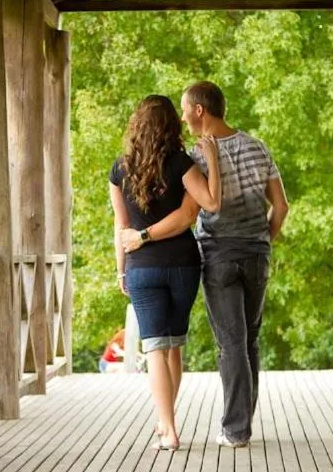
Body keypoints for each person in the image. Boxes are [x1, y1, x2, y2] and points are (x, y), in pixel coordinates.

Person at [122, 81, 289, 449]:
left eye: (185, 109)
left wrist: (139, 239)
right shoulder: (259, 147)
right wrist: (264, 240)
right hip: (256, 253)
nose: (182, 116)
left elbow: (191, 210)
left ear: (200, 110)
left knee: (231, 343)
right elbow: (281, 206)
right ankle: (242, 421)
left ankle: (235, 430)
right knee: (249, 341)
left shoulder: (193, 157)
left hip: (218, 254)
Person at [109, 94, 222, 451]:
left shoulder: (120, 169)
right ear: (172, 124)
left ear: (137, 125)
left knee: (155, 348)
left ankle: (168, 429)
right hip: (184, 264)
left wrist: (121, 269)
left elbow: (120, 225)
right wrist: (213, 163)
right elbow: (207, 204)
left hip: (143, 268)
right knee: (172, 346)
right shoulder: (181, 163)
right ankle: (166, 420)